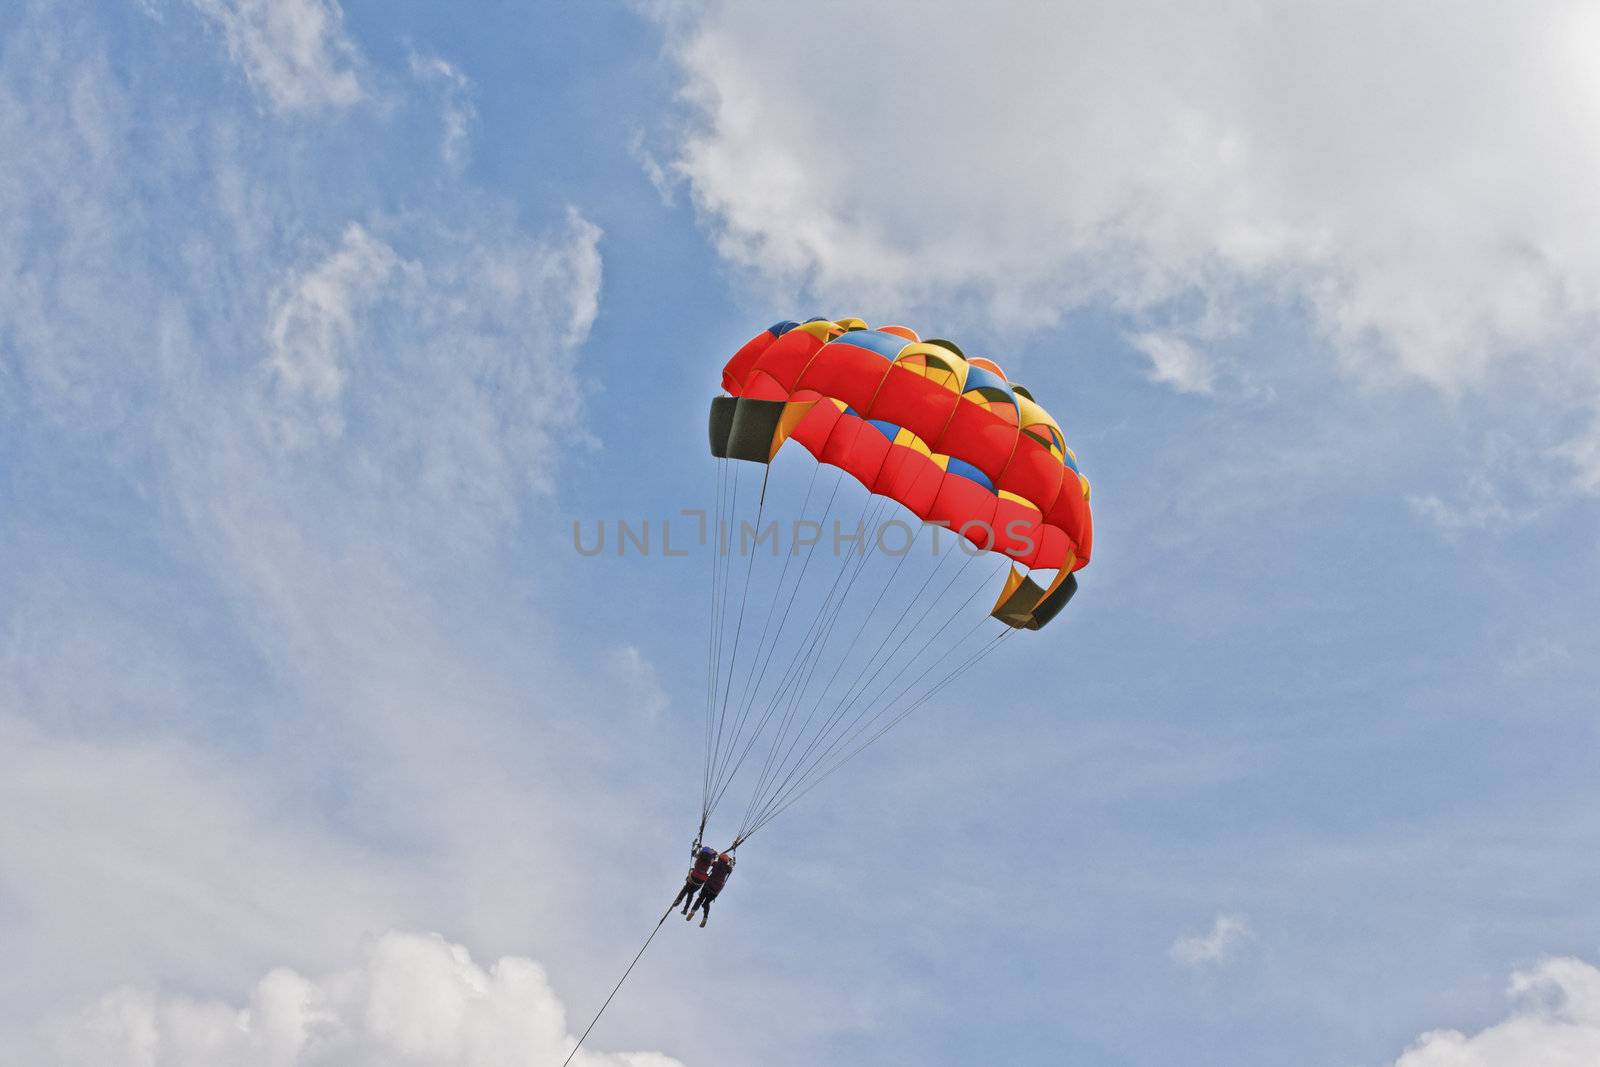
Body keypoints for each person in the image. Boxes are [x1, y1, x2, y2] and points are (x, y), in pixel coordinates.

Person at [689, 851, 735, 927]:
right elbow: (731, 867)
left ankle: (692, 912)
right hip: (716, 890)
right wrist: (731, 861)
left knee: (700, 899)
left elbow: (710, 860)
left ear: (720, 859)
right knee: (706, 903)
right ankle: (705, 918)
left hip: (708, 885)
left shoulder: (716, 864)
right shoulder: (727, 869)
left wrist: (715, 854)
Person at [673, 844, 717, 914]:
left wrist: (697, 847)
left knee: (686, 889)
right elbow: (716, 864)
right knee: (691, 893)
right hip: (701, 881)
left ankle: (679, 899)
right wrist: (715, 856)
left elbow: (693, 853)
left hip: (693, 877)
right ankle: (685, 909)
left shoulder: (700, 856)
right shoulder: (710, 861)